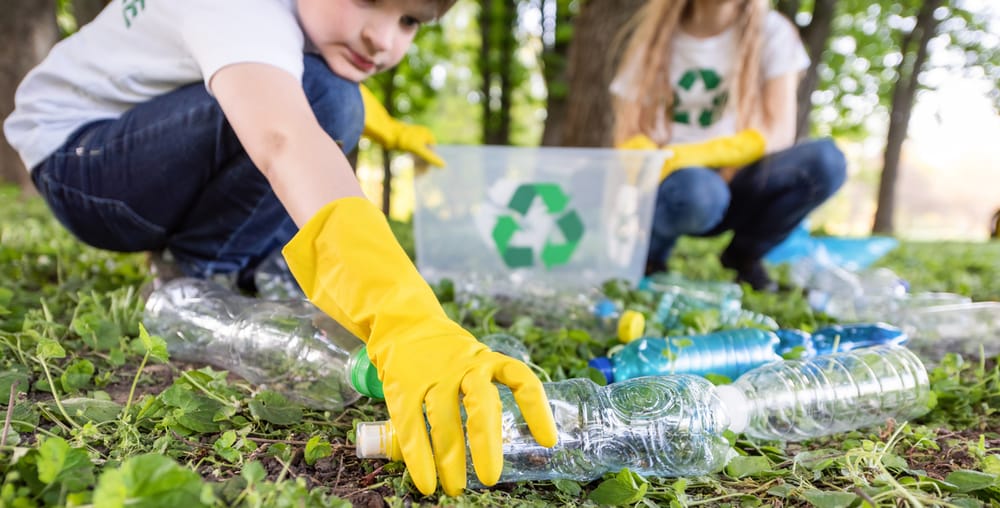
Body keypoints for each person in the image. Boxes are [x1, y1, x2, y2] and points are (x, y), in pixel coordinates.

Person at [3, 0, 557, 497]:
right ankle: (204, 271)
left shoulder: (286, 25)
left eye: (409, 20)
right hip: (80, 165)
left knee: (328, 96)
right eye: (369, 1)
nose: (384, 40)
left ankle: (236, 258)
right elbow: (284, 135)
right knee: (326, 99)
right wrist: (402, 315)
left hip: (124, 150)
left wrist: (380, 124)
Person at [612, 0, 847, 291]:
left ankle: (744, 256)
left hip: (742, 178)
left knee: (825, 162)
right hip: (677, 188)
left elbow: (778, 133)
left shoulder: (772, 31)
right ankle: (650, 256)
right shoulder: (657, 36)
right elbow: (629, 131)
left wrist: (691, 155)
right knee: (698, 192)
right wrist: (652, 161)